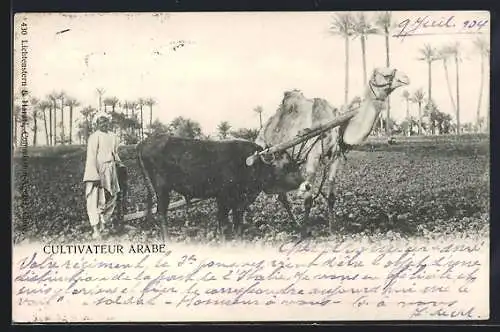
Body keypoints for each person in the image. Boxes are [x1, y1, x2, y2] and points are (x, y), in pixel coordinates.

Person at [83, 112, 124, 239]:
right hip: (98, 170)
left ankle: (103, 224)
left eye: (106, 121)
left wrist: (119, 164)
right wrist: (94, 176)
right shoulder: (94, 137)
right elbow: (91, 157)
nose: (104, 124)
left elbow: (114, 152)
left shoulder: (112, 136)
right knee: (96, 198)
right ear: (97, 124)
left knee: (112, 196)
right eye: (101, 122)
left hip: (111, 169)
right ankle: (95, 229)